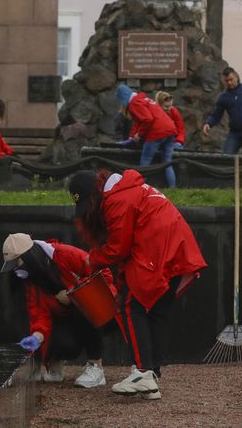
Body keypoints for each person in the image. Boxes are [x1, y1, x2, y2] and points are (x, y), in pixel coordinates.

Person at [68, 169, 207, 400]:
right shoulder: (129, 190)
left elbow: (118, 248)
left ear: (93, 195)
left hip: (158, 249)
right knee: (157, 311)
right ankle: (151, 376)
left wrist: (92, 258)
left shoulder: (116, 200)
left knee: (132, 306)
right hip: (179, 248)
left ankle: (143, 372)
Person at [1, 233, 111, 388]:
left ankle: (96, 367)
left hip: (105, 309)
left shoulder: (64, 254)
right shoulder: (33, 281)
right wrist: (36, 338)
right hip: (71, 320)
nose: (17, 269)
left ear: (30, 256)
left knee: (84, 307)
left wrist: (72, 294)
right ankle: (53, 364)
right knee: (52, 337)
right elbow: (40, 316)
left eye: (17, 263)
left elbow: (102, 274)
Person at [116, 84, 177, 187]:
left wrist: (139, 135)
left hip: (157, 132)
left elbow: (147, 119)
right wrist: (132, 137)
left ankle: (139, 188)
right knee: (167, 162)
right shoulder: (144, 99)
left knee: (145, 162)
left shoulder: (134, 103)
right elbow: (139, 121)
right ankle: (173, 189)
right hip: (170, 130)